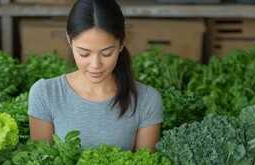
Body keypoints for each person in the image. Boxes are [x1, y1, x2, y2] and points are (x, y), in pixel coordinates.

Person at [27, 0, 163, 152]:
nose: (95, 64)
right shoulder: (45, 93)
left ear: (122, 42)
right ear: (69, 40)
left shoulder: (147, 100)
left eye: (106, 53)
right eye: (84, 53)